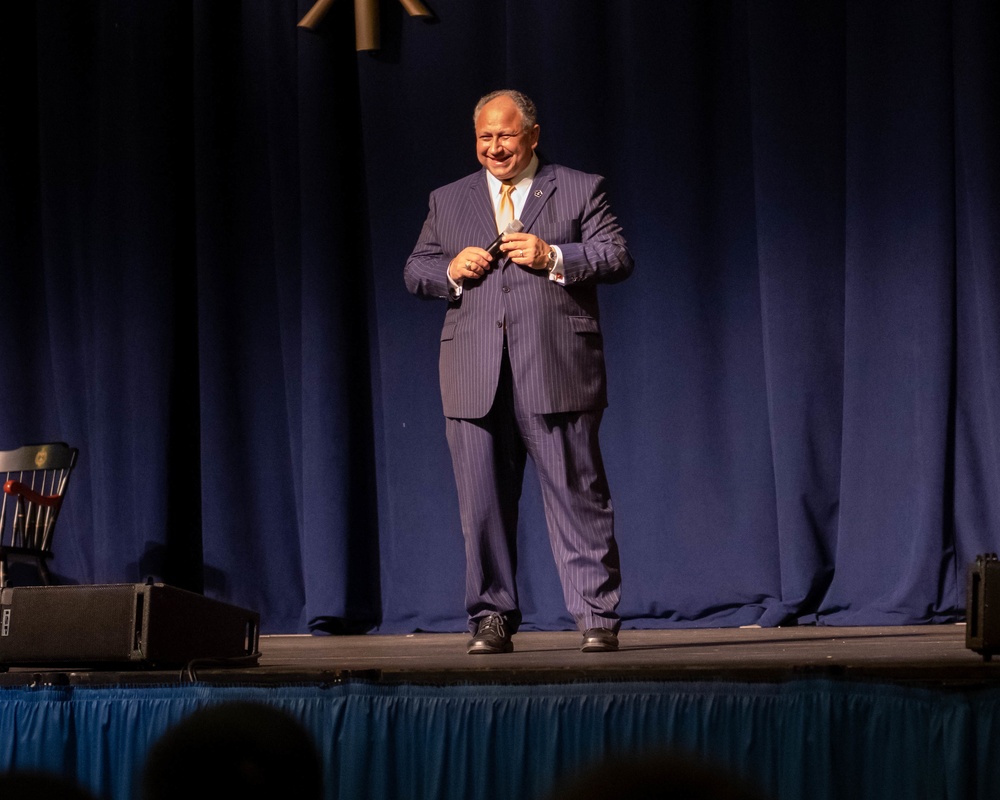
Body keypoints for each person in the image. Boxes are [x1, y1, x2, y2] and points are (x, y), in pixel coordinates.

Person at [404, 89, 634, 654]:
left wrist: (555, 256)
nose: (495, 147)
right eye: (485, 137)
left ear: (532, 135)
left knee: (578, 496)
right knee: (480, 505)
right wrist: (451, 270)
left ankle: (596, 618)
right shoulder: (449, 199)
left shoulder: (579, 187)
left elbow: (617, 255)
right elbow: (416, 269)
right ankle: (492, 617)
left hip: (555, 368)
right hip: (474, 373)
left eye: (505, 135)